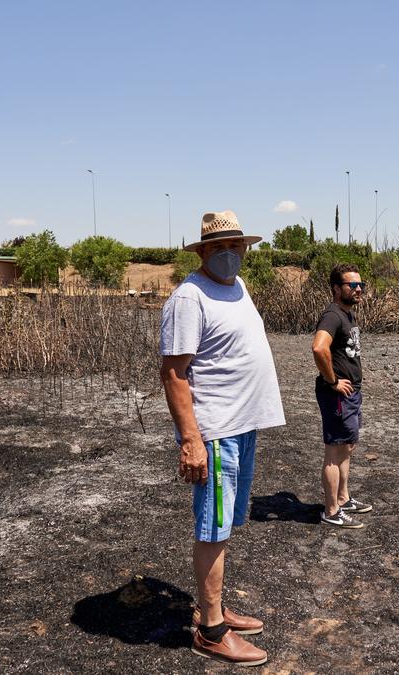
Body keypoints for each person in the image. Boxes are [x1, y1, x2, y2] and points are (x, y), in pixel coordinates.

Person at [160, 210, 285, 667]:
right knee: (212, 528)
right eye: (218, 248)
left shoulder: (236, 286)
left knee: (226, 523)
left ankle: (216, 607)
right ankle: (210, 630)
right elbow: (174, 374)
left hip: (243, 426)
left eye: (236, 247)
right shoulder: (189, 298)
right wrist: (190, 440)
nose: (229, 255)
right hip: (214, 433)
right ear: (203, 252)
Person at [311, 263, 372, 528]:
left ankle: (343, 499)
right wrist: (333, 381)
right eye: (352, 285)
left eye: (361, 285)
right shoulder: (333, 315)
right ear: (337, 289)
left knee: (346, 447)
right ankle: (331, 510)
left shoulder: (348, 314)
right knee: (335, 451)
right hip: (337, 394)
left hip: (351, 394)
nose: (358, 290)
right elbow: (318, 348)